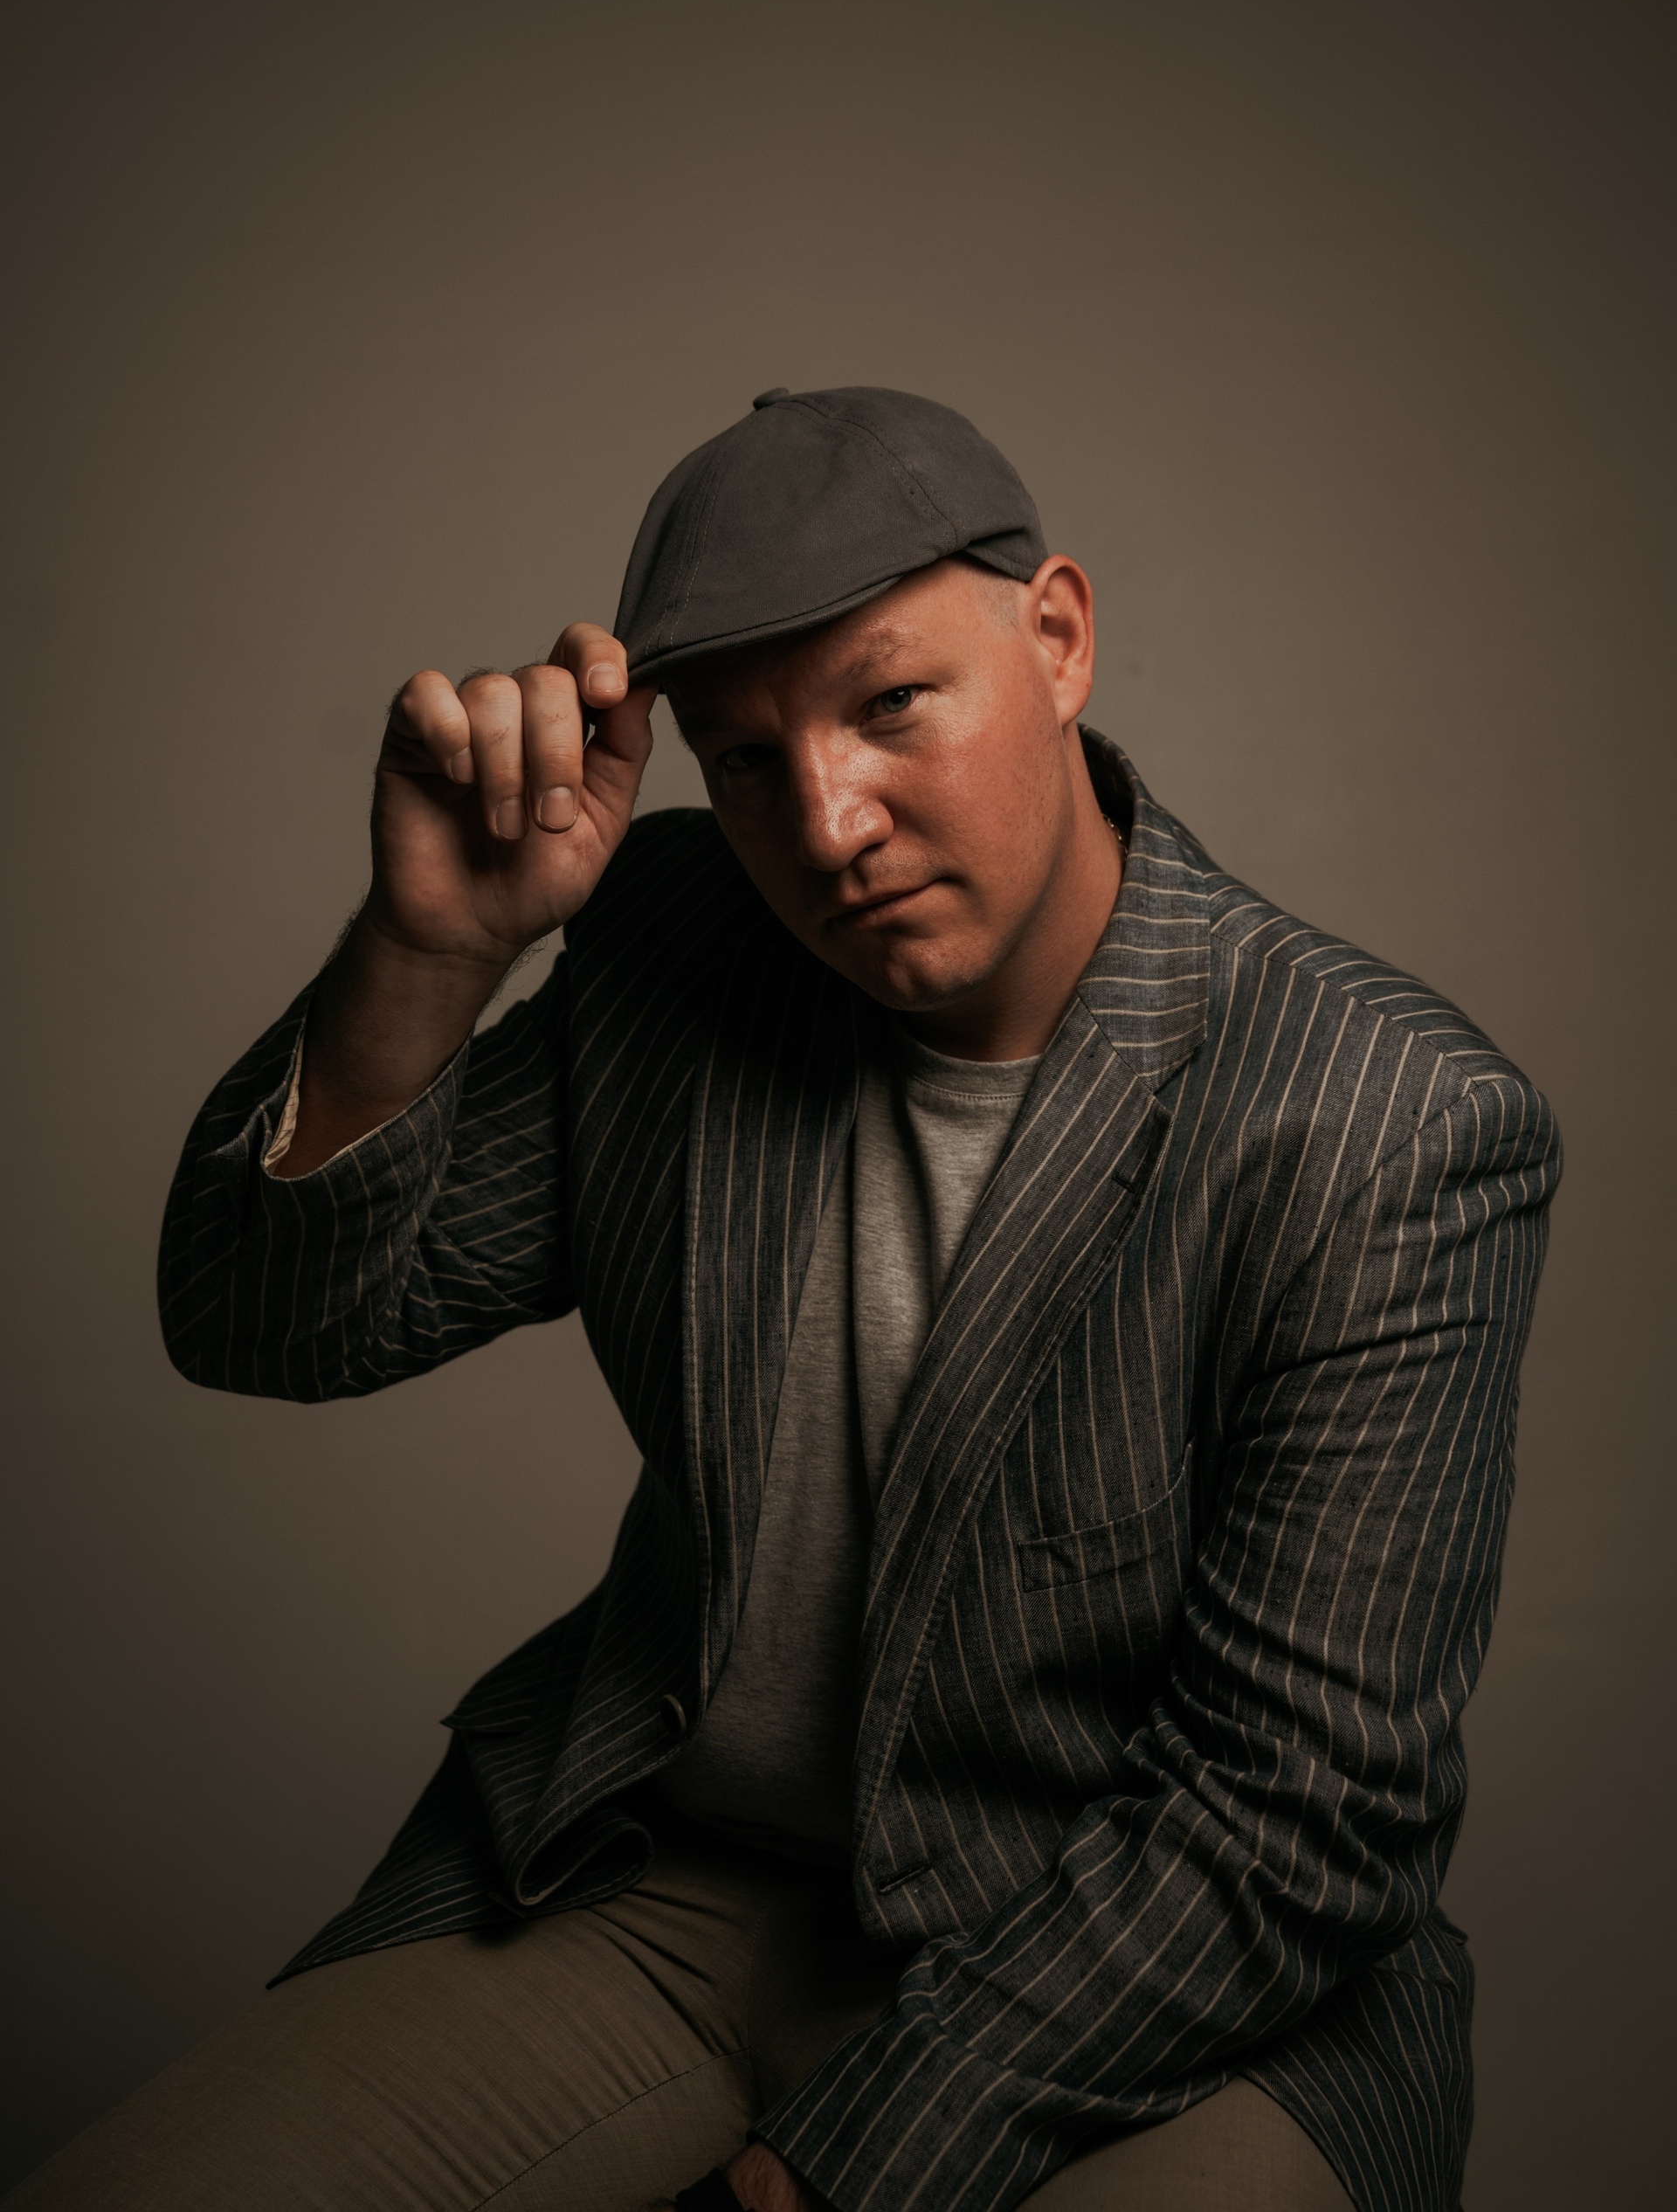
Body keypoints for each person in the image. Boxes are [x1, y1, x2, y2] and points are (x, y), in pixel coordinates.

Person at [11, 387, 1559, 2212]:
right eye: (745, 760)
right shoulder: (682, 945)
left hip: (1144, 1966)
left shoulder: (1385, 1119)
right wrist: (431, 951)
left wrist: (841, 2168)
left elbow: (1298, 1812)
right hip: (657, 1893)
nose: (826, 824)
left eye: (890, 704)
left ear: (1059, 639)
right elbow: (262, 1324)